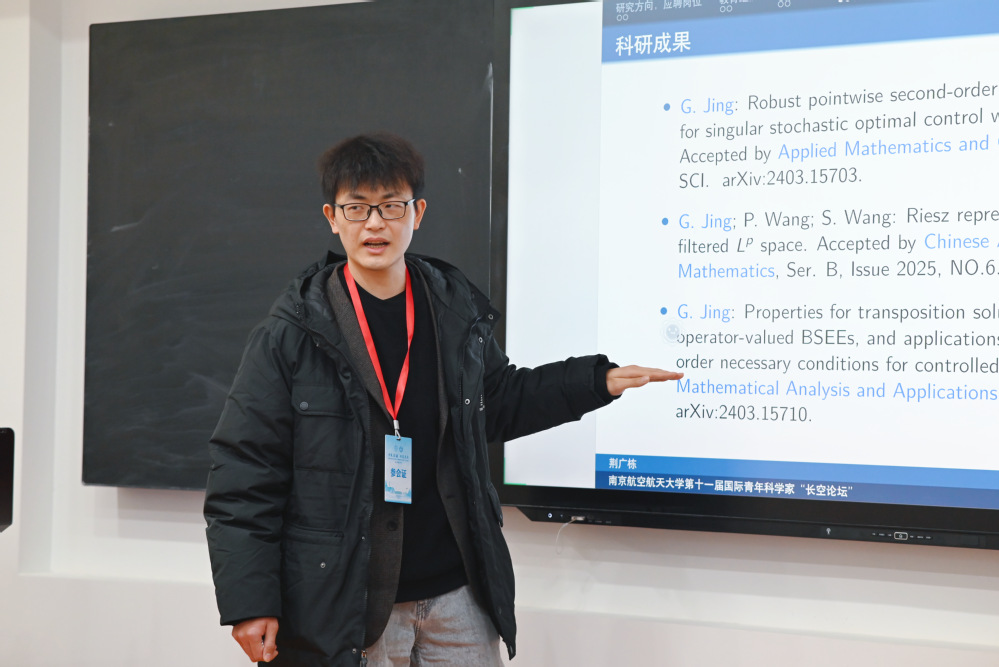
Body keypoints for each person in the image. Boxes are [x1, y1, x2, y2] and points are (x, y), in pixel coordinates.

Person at [204, 132, 682, 666]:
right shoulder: (292, 333)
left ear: (418, 212)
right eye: (357, 208)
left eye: (391, 205)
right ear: (332, 218)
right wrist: (251, 602)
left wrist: (596, 381)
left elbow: (498, 401)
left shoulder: (452, 310)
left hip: (458, 594)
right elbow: (245, 472)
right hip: (347, 602)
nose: (375, 224)